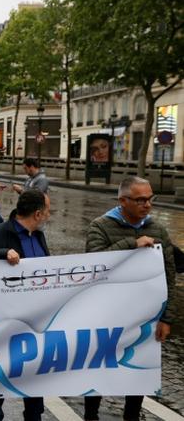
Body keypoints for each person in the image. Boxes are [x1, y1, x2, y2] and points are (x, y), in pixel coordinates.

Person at [82, 176, 175, 421]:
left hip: (144, 319)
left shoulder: (157, 229)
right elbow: (94, 265)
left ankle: (131, 416)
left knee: (138, 373)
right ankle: (91, 415)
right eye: (140, 199)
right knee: (99, 371)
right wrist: (131, 244)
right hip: (105, 317)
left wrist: (167, 317)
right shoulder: (100, 226)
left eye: (150, 198)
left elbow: (169, 276)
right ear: (123, 201)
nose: (147, 204)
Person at [0, 189, 51, 421]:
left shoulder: (39, 236)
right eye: (47, 210)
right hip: (3, 322)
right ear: (37, 214)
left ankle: (34, 416)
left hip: (35, 324)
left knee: (35, 380)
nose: (49, 215)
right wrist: (1, 254)